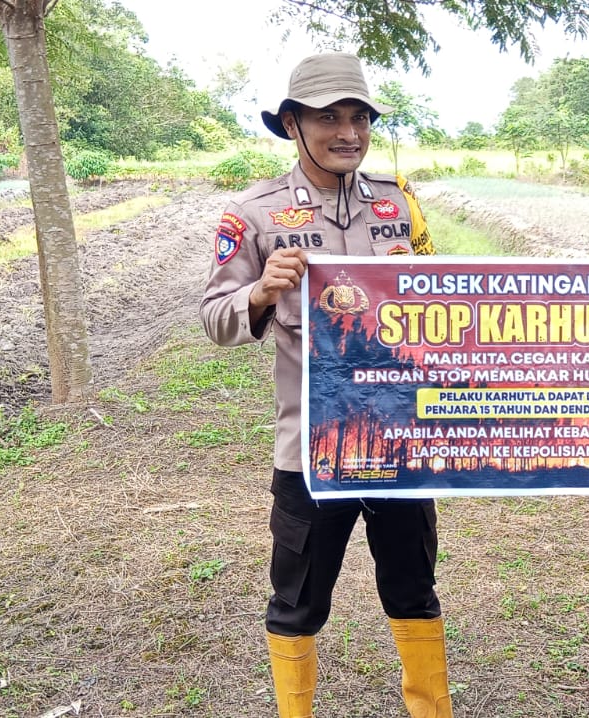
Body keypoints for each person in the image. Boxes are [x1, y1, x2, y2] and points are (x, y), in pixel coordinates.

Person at [199, 52, 448, 718]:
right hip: (311, 447)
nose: (349, 133)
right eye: (329, 118)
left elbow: (439, 295)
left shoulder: (399, 202)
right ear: (291, 123)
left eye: (359, 117)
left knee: (413, 585)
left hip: (400, 438)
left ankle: (432, 708)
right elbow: (215, 318)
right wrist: (260, 288)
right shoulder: (255, 213)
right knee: (298, 597)